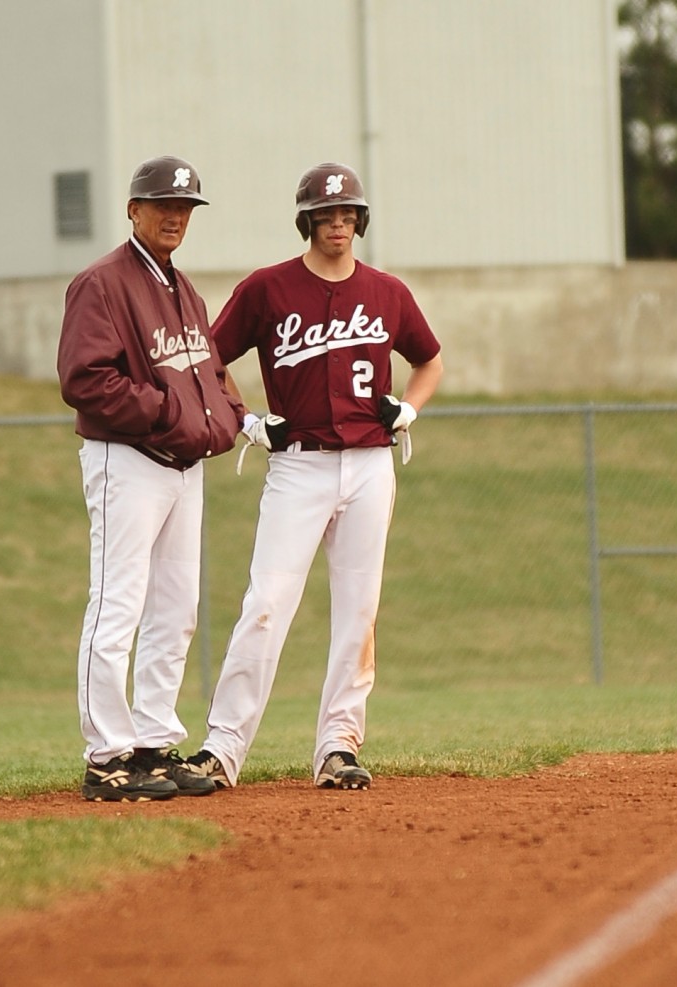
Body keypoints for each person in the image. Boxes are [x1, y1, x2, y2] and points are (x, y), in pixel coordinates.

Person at [184, 161, 444, 791]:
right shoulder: (268, 289)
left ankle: (339, 746)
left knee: (359, 610)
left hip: (369, 465)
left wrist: (409, 407)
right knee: (267, 604)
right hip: (297, 465)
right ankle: (223, 749)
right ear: (307, 220)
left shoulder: (387, 292)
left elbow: (429, 358)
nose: (338, 224)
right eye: (326, 215)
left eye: (347, 214)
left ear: (360, 219)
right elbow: (210, 357)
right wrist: (245, 419)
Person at [57, 154, 250, 802]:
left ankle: (151, 743)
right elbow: (85, 380)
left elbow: (209, 371)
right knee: (118, 603)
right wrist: (173, 413)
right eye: (163, 204)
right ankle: (106, 755)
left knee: (176, 606)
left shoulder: (182, 287)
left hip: (180, 466)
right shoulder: (101, 282)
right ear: (133, 209)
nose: (175, 215)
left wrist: (232, 417)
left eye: (185, 207)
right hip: (127, 458)